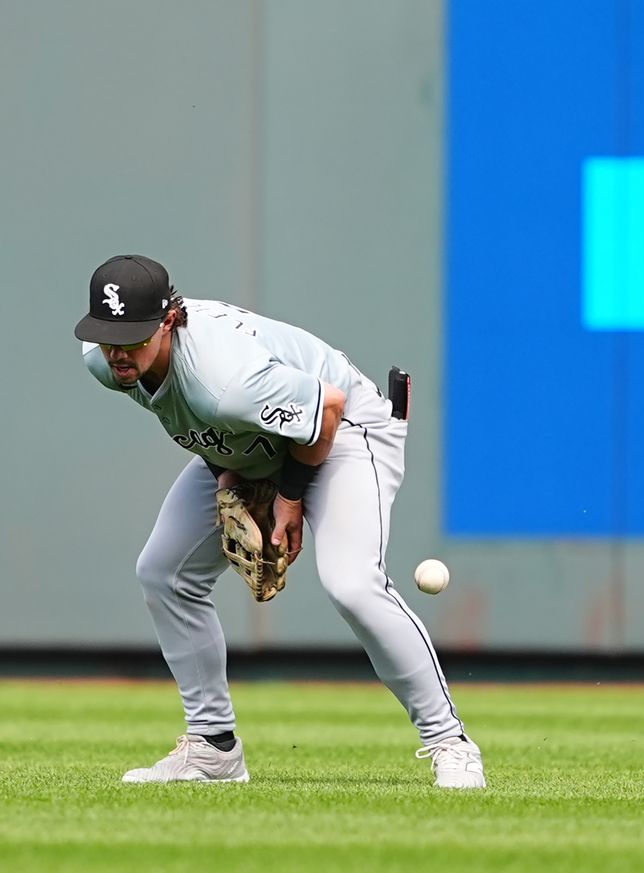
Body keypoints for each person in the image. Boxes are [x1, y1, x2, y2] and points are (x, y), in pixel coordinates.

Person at [74, 254, 484, 789]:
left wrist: (287, 500)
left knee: (352, 584)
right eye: (107, 334)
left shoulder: (225, 377)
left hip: (347, 431)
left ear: (168, 321)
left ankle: (449, 741)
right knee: (163, 572)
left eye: (131, 336)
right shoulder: (107, 362)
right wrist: (232, 479)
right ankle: (213, 750)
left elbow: (327, 411)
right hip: (257, 441)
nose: (116, 349)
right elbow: (194, 420)